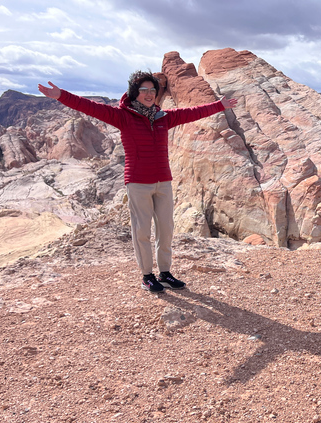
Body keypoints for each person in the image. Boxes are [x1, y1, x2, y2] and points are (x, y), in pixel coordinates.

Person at [38, 71, 237, 293]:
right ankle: (147, 276)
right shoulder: (122, 116)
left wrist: (220, 106)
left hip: (163, 182)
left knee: (166, 229)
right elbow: (89, 106)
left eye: (153, 90)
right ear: (135, 93)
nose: (149, 94)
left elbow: (192, 113)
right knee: (142, 230)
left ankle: (165, 273)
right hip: (138, 182)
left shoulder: (163, 117)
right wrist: (60, 95)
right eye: (144, 90)